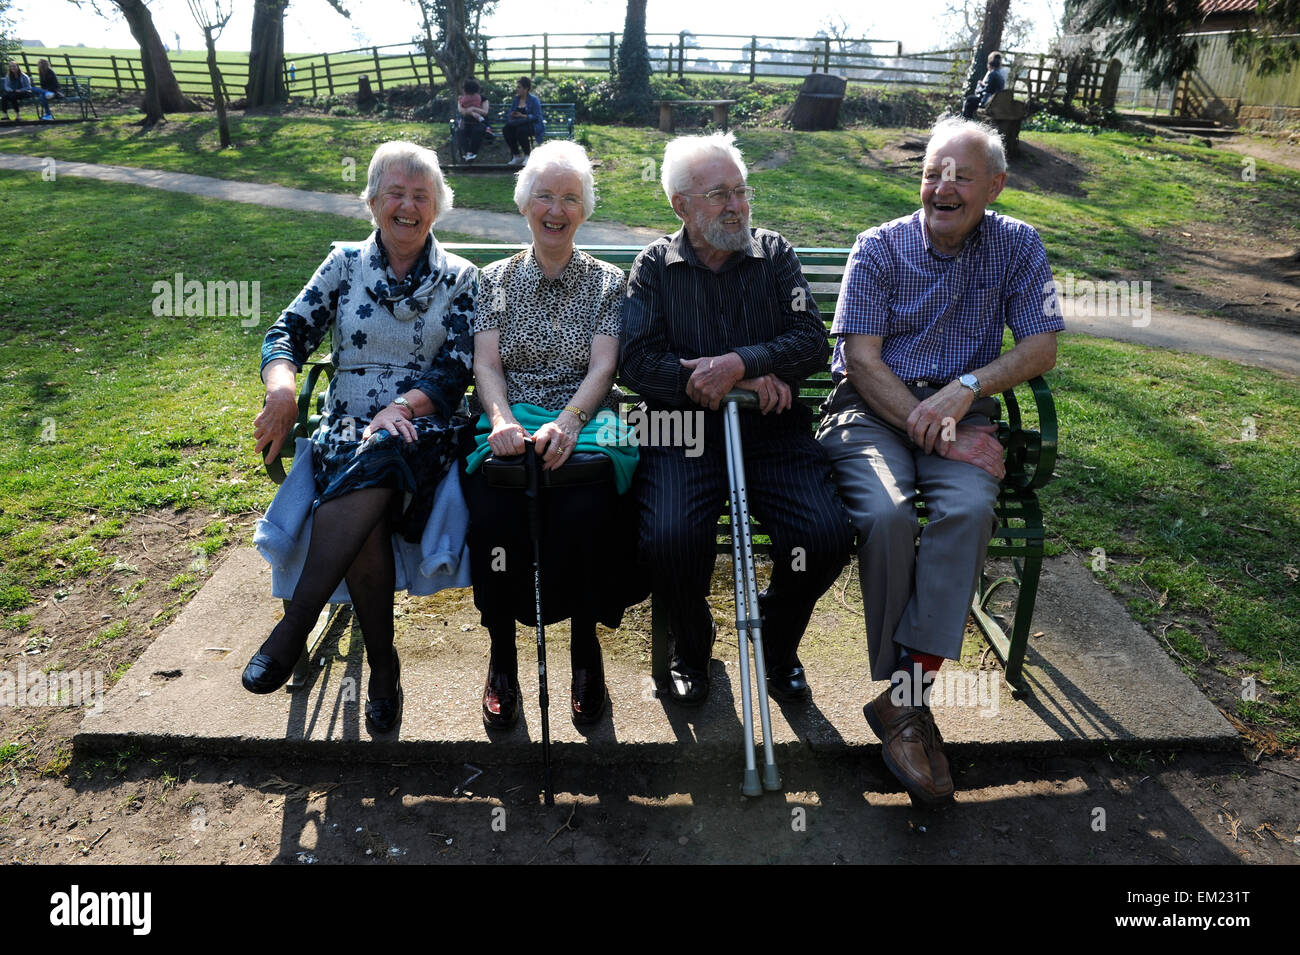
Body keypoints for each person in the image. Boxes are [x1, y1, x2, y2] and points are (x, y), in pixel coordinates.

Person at [815, 116, 1062, 803]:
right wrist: (926, 420)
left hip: (961, 411)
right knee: (888, 514)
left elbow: (1040, 346)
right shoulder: (879, 247)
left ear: (995, 185)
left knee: (967, 507)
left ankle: (903, 701)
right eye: (931, 173)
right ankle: (911, 712)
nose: (942, 187)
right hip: (871, 411)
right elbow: (861, 361)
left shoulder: (1019, 245)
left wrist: (967, 390)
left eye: (959, 175)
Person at [247, 141, 477, 735]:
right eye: (394, 193)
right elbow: (287, 333)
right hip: (345, 429)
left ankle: (296, 623)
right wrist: (282, 389)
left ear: (437, 208)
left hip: (422, 428)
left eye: (420, 196)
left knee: (384, 447)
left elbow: (455, 372)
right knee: (365, 492)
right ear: (373, 201)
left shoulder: (459, 279)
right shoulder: (343, 265)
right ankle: (384, 667)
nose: (407, 205)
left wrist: (400, 408)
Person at [621, 131, 854, 707]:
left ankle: (776, 640)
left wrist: (741, 363)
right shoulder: (655, 266)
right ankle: (692, 644)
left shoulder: (775, 256)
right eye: (718, 194)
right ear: (681, 205)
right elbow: (636, 362)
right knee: (669, 537)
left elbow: (811, 342)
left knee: (824, 535)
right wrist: (728, 379)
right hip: (681, 433)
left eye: (741, 191)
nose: (735, 205)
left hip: (771, 433)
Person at [461, 139, 640, 729]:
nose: (556, 209)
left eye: (569, 197)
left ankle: (586, 653)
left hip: (583, 421)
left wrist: (571, 420)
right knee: (492, 515)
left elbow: (604, 367)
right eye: (544, 196)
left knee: (586, 512)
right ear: (525, 204)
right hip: (510, 421)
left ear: (584, 209)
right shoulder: (495, 279)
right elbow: (486, 364)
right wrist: (503, 417)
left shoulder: (609, 281)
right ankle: (502, 655)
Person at [503, 76, 544, 167]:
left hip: (531, 124)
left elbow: (537, 116)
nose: (517, 89)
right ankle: (516, 155)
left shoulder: (534, 100)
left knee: (521, 131)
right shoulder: (516, 99)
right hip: (517, 123)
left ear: (526, 89)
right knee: (506, 129)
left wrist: (522, 115)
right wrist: (512, 114)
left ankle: (527, 155)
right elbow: (511, 111)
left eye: (519, 87)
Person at [962, 51, 1007, 119]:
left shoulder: (992, 74)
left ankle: (966, 120)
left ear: (989, 64)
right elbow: (992, 87)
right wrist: (983, 85)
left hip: (988, 101)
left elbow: (988, 90)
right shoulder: (1000, 75)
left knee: (969, 99)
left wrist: (979, 89)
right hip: (995, 100)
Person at [456, 78, 489, 162]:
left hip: (479, 122)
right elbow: (462, 111)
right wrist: (470, 112)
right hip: (466, 122)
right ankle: (468, 153)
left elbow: (485, 112)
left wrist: (473, 108)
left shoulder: (483, 99)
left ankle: (472, 153)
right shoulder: (462, 99)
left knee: (477, 131)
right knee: (460, 132)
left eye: (464, 88)